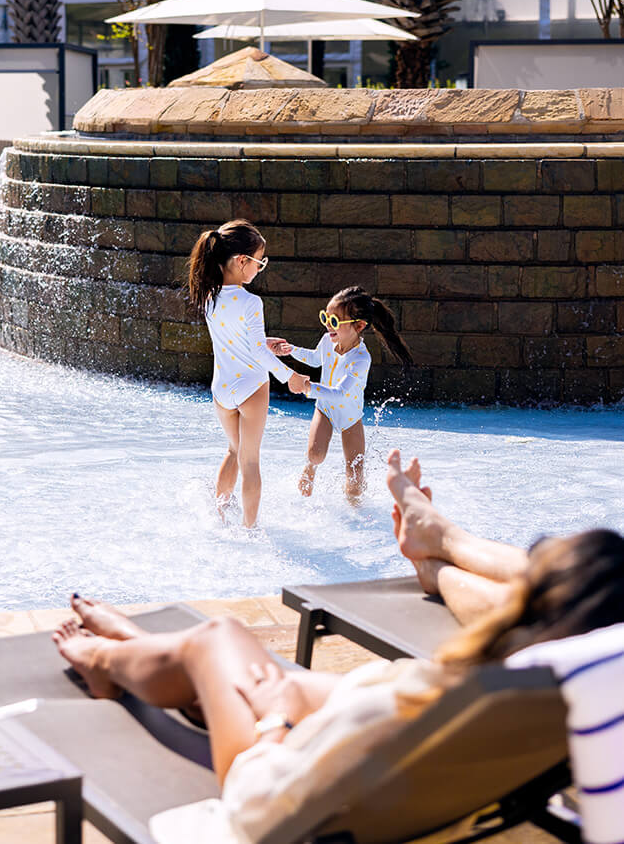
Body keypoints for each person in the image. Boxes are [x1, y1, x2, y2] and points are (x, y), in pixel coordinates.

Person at [52, 449, 624, 843]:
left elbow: (258, 812)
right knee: (264, 677)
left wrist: (274, 725)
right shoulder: (574, 691)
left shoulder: (422, 703)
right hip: (396, 777)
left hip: (290, 814)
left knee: (217, 638)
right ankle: (142, 648)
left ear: (524, 607)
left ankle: (105, 661)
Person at [187, 219, 308, 528]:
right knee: (250, 460)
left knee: (232, 450)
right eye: (259, 262)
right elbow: (254, 353)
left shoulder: (208, 296)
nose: (259, 269)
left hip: (221, 390)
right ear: (242, 261)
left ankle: (220, 517)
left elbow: (234, 338)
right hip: (252, 386)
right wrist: (289, 376)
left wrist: (266, 343)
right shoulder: (251, 302)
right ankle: (249, 531)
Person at [267, 286, 413, 502]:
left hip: (350, 418)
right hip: (325, 409)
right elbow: (316, 359)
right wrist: (290, 350)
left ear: (359, 325)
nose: (328, 325)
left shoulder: (361, 359)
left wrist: (308, 387)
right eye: (325, 317)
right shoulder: (328, 340)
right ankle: (310, 468)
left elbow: (341, 393)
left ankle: (356, 521)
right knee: (315, 455)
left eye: (334, 321)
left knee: (355, 482)